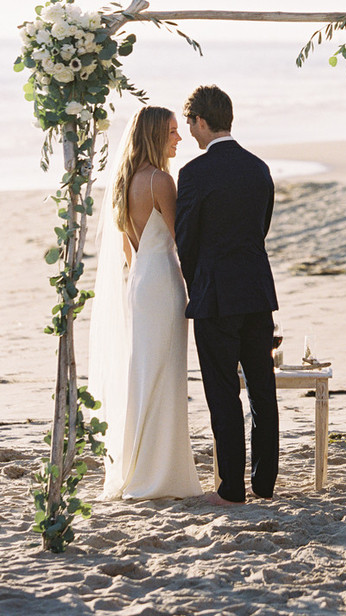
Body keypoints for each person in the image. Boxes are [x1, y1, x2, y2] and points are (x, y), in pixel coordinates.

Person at [89, 106, 202, 500]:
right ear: (156, 136)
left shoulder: (126, 182)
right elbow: (181, 238)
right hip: (162, 281)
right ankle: (160, 472)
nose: (179, 138)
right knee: (164, 374)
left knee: (145, 372)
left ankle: (140, 463)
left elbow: (126, 249)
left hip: (139, 279)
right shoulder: (160, 181)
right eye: (172, 131)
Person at [175, 85, 279, 505]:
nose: (191, 133)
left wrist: (197, 279)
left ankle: (232, 488)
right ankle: (265, 483)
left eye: (190, 124)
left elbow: (186, 242)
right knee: (261, 389)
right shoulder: (259, 168)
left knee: (222, 392)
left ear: (201, 121)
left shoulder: (194, 174)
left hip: (216, 294)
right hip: (257, 289)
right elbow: (262, 226)